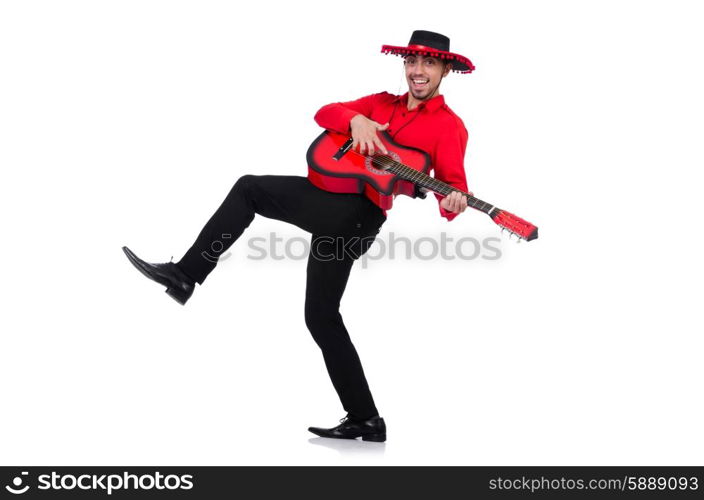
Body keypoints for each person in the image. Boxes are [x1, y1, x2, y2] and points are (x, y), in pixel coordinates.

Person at [122, 30, 474, 442]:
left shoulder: (449, 127)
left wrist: (453, 203)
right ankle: (366, 419)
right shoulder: (380, 102)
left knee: (251, 190)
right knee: (321, 318)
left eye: (429, 63)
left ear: (445, 69)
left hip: (357, 217)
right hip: (327, 197)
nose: (417, 71)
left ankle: (185, 275)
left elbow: (454, 189)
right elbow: (325, 113)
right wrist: (356, 119)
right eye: (412, 62)